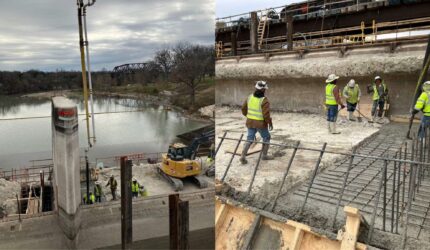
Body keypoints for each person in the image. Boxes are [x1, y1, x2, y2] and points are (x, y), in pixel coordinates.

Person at [240, 80, 274, 164]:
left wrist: (249, 117)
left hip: (250, 122)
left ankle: (243, 156)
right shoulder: (264, 100)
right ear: (263, 90)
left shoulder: (250, 97)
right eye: (265, 89)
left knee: (249, 139)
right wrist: (270, 123)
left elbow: (243, 109)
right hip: (260, 124)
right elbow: (266, 114)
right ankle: (264, 156)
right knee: (266, 138)